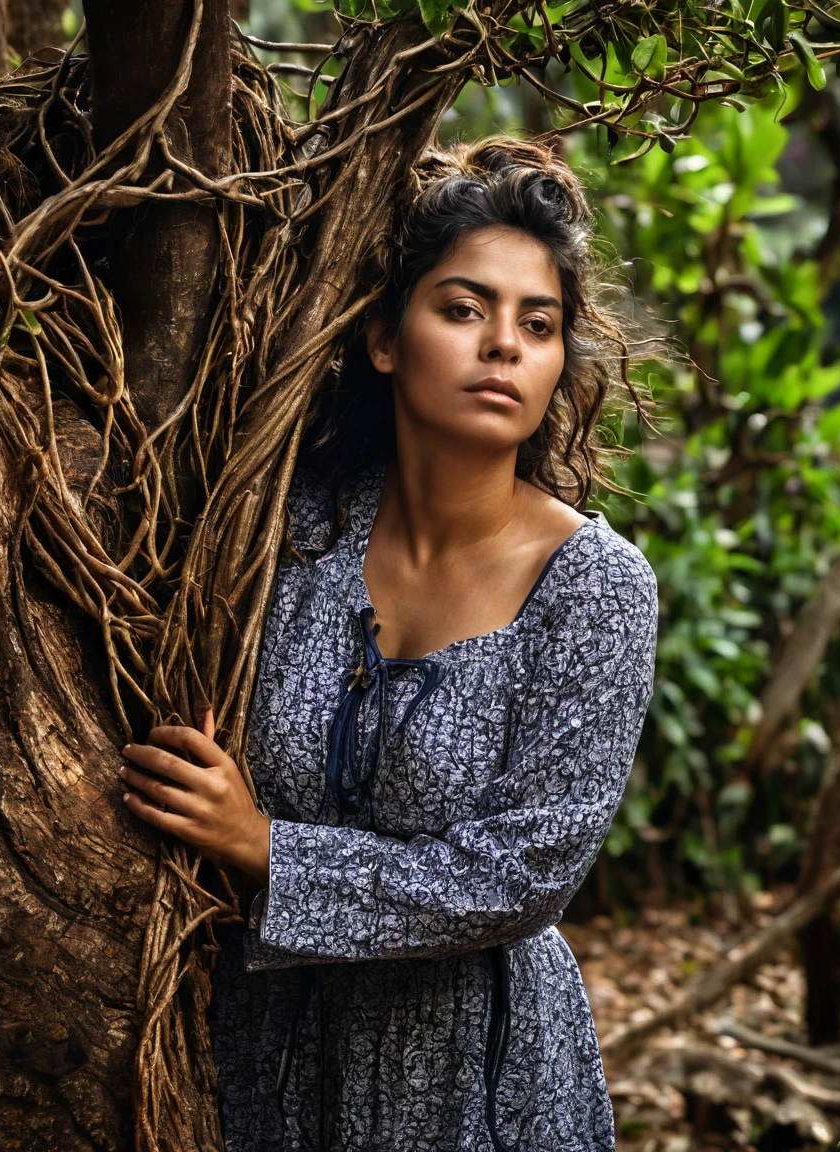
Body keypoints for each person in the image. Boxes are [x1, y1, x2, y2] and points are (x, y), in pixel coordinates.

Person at [118, 136, 660, 1151]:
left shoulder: (595, 586)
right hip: (263, 1062)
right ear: (383, 337)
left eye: (536, 326)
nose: (501, 344)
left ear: (555, 363)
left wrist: (266, 849)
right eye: (462, 309)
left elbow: (522, 874)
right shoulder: (281, 536)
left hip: (480, 1086)